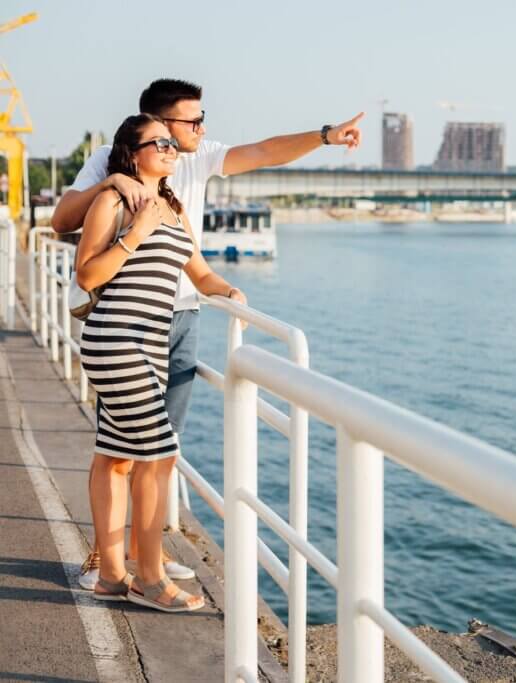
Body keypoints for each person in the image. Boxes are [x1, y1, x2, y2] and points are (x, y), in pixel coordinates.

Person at [53, 79, 363, 589]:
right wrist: (112, 184)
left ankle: (136, 553)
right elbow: (65, 221)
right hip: (123, 325)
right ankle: (119, 566)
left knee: (156, 446)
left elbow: (263, 153)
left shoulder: (183, 174)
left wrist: (327, 136)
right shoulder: (113, 165)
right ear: (155, 128)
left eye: (200, 121)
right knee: (131, 452)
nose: (199, 131)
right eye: (189, 123)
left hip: (180, 320)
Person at [77, 113, 246, 610]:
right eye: (161, 142)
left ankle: (111, 577)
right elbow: (88, 275)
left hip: (150, 343)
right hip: (115, 338)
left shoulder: (173, 207)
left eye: (175, 143)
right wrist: (136, 232)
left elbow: (200, 271)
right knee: (159, 454)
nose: (173, 149)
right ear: (133, 151)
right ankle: (149, 580)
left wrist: (230, 293)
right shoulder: (114, 201)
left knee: (114, 457)